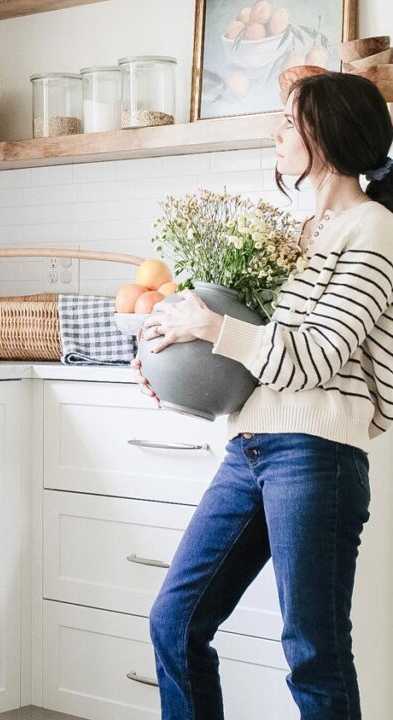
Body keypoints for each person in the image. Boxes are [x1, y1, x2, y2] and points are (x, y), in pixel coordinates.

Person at [132, 70, 393, 720]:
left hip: (315, 457)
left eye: (287, 120)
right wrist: (170, 363)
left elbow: (314, 357)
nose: (275, 133)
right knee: (173, 622)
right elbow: (251, 360)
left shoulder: (372, 229)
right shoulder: (294, 237)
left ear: (324, 132)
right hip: (248, 448)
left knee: (313, 653)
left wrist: (211, 326)